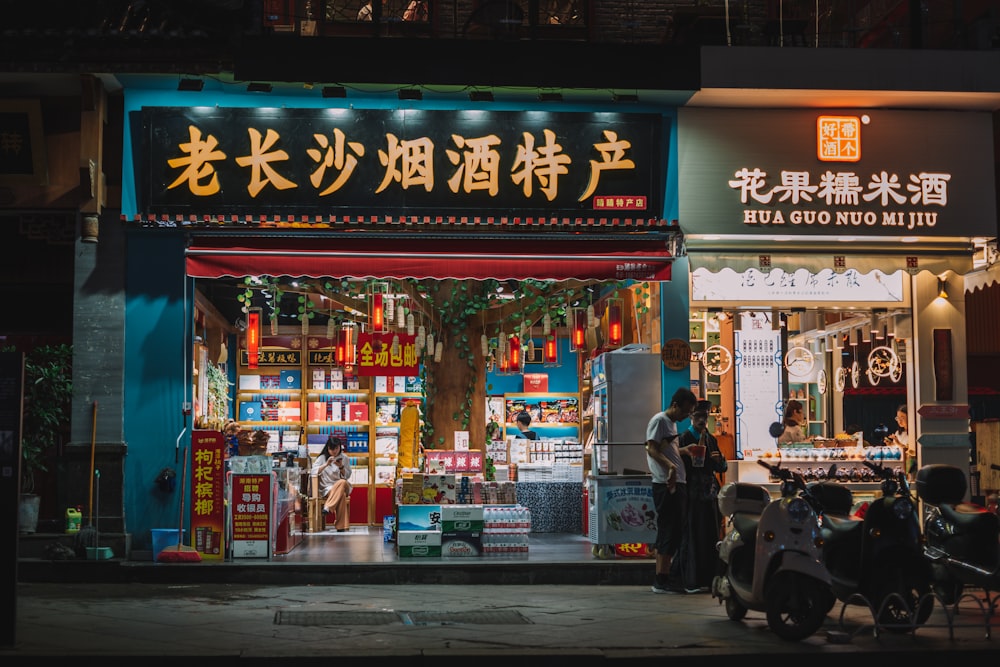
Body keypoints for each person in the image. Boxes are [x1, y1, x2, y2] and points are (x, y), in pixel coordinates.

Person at [669, 399, 728, 593]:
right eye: (699, 416)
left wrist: (719, 462)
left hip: (709, 493)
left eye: (705, 416)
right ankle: (690, 579)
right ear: (691, 417)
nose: (702, 420)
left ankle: (709, 579)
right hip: (692, 493)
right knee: (692, 535)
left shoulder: (711, 439)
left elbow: (721, 465)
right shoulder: (684, 438)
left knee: (710, 534)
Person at [646, 386, 698, 594]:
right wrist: (670, 467)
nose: (686, 416)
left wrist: (684, 451)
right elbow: (651, 449)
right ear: (675, 405)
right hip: (666, 485)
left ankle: (664, 578)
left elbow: (665, 448)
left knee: (673, 530)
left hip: (676, 483)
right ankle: (662, 580)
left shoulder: (671, 424)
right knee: (670, 530)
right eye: (685, 411)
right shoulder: (659, 421)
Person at [311, 436, 353, 532]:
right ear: (327, 448)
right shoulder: (322, 458)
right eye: (331, 449)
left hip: (344, 485)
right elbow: (313, 472)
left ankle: (328, 507)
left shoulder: (344, 458)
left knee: (342, 482)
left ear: (340, 448)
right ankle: (341, 526)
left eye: (336, 448)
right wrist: (326, 464)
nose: (334, 451)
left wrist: (341, 466)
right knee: (341, 494)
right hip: (328, 488)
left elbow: (347, 476)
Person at [885, 403, 914, 479]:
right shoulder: (898, 433)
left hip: (909, 465)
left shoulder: (914, 433)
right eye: (898, 418)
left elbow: (911, 451)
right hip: (899, 465)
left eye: (902, 418)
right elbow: (897, 449)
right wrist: (891, 444)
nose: (899, 421)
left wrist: (898, 443)